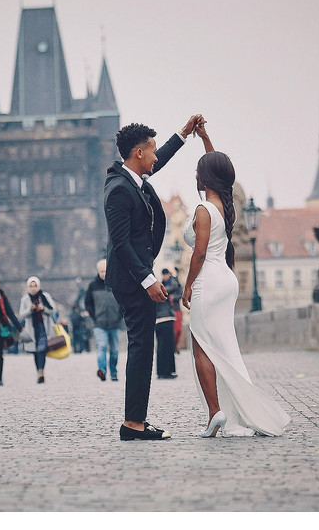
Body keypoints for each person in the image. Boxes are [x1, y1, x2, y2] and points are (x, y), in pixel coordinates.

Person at [181, 124, 290, 438]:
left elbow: (198, 254)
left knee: (201, 346)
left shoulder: (203, 210)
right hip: (226, 281)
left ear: (204, 179)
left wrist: (187, 286)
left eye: (198, 171)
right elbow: (218, 169)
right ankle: (243, 412)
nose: (195, 175)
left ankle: (216, 413)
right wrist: (204, 139)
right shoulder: (225, 209)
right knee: (226, 349)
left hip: (207, 281)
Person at [104, 115, 202, 441]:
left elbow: (160, 161)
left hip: (136, 276)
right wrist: (148, 280)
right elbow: (119, 244)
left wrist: (184, 133)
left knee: (143, 347)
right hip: (132, 280)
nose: (156, 157)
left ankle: (136, 421)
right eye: (153, 151)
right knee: (141, 346)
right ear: (139, 153)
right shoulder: (119, 189)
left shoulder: (133, 178)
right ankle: (133, 424)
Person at [85, 258, 123, 382]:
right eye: (101, 271)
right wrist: (94, 316)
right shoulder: (93, 286)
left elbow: (123, 301)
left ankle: (114, 372)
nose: (104, 274)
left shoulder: (117, 283)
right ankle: (102, 370)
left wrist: (119, 316)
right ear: (98, 272)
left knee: (114, 351)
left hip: (115, 323)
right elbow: (88, 303)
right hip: (99, 323)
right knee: (101, 346)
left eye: (106, 271)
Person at [19, 276, 59, 384]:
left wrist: (43, 309)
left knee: (42, 350)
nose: (33, 288)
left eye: (35, 285)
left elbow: (53, 310)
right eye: (31, 286)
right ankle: (39, 371)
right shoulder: (25, 299)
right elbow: (21, 315)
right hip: (31, 329)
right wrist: (30, 310)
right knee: (35, 352)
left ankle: (41, 372)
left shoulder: (45, 296)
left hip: (44, 327)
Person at [155, 290, 177, 380]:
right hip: (165, 319)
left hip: (159, 319)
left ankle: (163, 371)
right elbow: (175, 286)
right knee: (166, 346)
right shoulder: (161, 288)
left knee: (162, 346)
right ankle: (166, 371)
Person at [161, 268, 183, 348]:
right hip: (167, 312)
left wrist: (174, 297)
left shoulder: (175, 283)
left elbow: (181, 294)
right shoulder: (161, 285)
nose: (165, 276)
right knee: (170, 332)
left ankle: (174, 346)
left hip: (176, 309)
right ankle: (172, 347)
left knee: (178, 330)